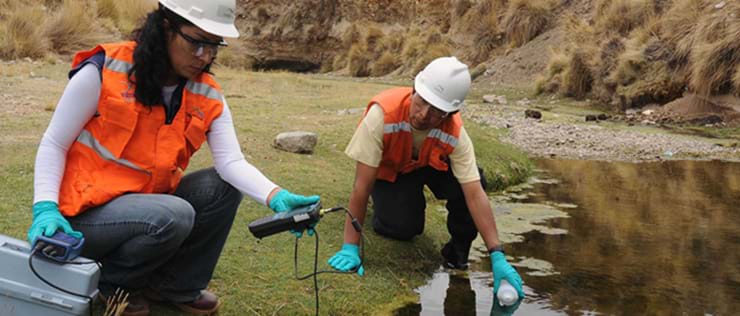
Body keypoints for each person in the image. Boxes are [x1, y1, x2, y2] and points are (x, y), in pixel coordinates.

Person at [25, 0, 318, 315]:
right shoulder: (106, 68)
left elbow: (231, 164)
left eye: (213, 45)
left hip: (150, 209)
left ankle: (174, 286)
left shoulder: (206, 92)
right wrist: (45, 208)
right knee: (174, 214)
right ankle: (113, 286)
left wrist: (277, 197)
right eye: (196, 42)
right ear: (166, 27)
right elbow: (54, 143)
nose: (204, 56)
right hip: (85, 215)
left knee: (222, 188)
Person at [326, 57, 525, 304]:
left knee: (476, 182)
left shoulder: (455, 132)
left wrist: (497, 254)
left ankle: (457, 253)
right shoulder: (382, 115)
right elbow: (361, 186)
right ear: (414, 89)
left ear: (450, 112)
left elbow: (474, 193)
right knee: (403, 229)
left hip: (429, 166)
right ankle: (386, 208)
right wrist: (350, 246)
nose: (423, 115)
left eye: (437, 111)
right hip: (391, 174)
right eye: (421, 102)